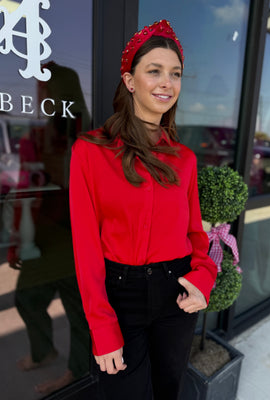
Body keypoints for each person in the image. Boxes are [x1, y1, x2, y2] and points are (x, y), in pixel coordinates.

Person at [69, 19, 217, 400]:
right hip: (121, 297)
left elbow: (196, 234)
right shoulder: (91, 151)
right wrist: (102, 328)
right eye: (155, 71)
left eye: (176, 74)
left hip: (176, 293)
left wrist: (203, 276)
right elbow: (86, 248)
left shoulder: (184, 158)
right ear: (130, 81)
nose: (167, 83)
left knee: (170, 388)